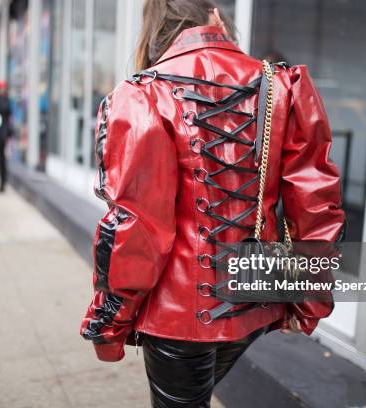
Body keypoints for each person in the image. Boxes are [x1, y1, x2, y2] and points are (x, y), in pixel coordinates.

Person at [80, 1, 345, 407]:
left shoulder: (144, 95)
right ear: (216, 15)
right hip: (253, 299)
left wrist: (109, 322)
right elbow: (315, 205)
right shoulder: (281, 86)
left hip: (177, 317)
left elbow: (137, 226)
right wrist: (307, 298)